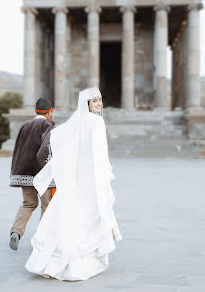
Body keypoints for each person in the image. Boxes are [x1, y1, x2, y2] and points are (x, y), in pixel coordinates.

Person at [25, 87, 122, 281]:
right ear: (87, 103)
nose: (99, 104)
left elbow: (58, 139)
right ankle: (79, 262)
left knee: (68, 213)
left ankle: (50, 261)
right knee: (89, 214)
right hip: (90, 175)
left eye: (100, 100)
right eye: (95, 101)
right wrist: (105, 173)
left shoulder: (75, 122)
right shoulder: (97, 121)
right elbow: (99, 153)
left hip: (75, 177)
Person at [9, 98, 55, 250]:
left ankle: (16, 231)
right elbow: (46, 149)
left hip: (24, 173)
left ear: (35, 110)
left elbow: (17, 150)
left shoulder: (24, 126)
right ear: (50, 111)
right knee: (46, 205)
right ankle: (42, 239)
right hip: (42, 174)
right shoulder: (48, 125)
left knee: (29, 204)